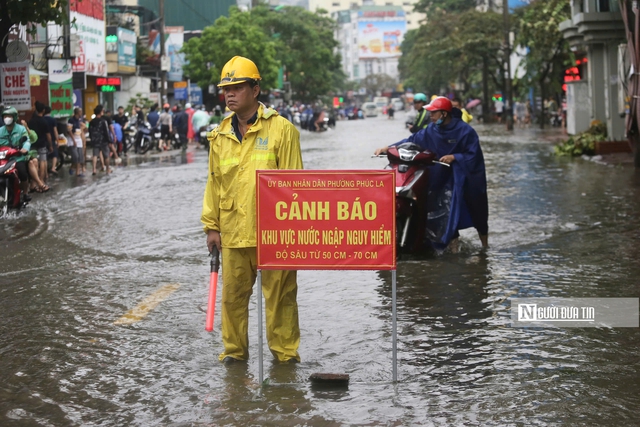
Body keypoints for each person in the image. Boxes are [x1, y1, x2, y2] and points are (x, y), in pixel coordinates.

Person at [202, 56, 303, 364]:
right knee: (232, 299)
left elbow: (295, 186)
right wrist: (211, 226)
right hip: (233, 233)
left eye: (236, 87)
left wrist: (293, 233)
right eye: (225, 88)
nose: (229, 94)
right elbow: (214, 183)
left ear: (255, 89)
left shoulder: (282, 131)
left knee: (281, 299)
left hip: (275, 234)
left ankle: (285, 358)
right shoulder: (219, 136)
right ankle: (234, 355)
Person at [374, 96, 488, 250]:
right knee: (440, 210)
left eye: (434, 113)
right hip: (439, 177)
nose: (430, 116)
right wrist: (387, 148)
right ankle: (452, 245)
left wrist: (455, 157)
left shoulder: (465, 131)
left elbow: (474, 156)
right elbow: (411, 140)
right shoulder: (431, 130)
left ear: (444, 114)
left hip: (461, 178)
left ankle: (485, 246)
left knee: (476, 209)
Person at [0, 106, 47, 197]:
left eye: (9, 116)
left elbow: (27, 140)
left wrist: (25, 148)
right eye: (5, 116)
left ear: (14, 117)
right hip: (4, 158)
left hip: (17, 157)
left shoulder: (21, 129)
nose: (7, 118)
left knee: (22, 173)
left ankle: (25, 192)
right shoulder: (0, 131)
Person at [28, 101, 52, 184]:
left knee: (34, 162)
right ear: (43, 110)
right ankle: (41, 180)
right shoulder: (44, 121)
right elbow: (48, 135)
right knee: (43, 161)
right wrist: (51, 145)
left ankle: (34, 182)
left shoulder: (31, 121)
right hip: (42, 144)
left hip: (32, 144)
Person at [89, 105, 113, 175]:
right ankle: (107, 169)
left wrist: (92, 139)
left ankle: (94, 169)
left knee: (95, 155)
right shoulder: (103, 121)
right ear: (100, 112)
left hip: (95, 141)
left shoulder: (91, 122)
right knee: (106, 155)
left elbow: (90, 131)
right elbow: (106, 131)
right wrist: (109, 141)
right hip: (103, 141)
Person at [43, 105, 60, 175]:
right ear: (50, 112)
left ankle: (45, 172)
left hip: (43, 141)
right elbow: (55, 131)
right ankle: (53, 168)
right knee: (55, 154)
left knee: (44, 157)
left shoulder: (42, 119)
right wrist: (57, 140)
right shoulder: (53, 120)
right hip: (52, 140)